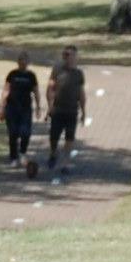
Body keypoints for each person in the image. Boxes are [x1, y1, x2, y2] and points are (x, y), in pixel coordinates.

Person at [43, 46, 87, 179]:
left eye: (70, 55)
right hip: (58, 109)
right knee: (54, 136)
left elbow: (81, 93)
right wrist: (50, 106)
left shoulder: (78, 74)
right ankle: (53, 153)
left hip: (72, 110)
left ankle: (65, 164)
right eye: (65, 55)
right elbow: (50, 88)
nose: (67, 57)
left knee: (69, 138)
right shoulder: (57, 70)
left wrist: (84, 111)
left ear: (75, 56)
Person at [0, 59, 40, 169]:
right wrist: (2, 107)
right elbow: (6, 90)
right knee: (13, 133)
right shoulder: (12, 74)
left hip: (25, 108)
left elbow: (36, 91)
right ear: (18, 62)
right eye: (21, 61)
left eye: (24, 61)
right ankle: (13, 157)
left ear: (27, 63)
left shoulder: (31, 76)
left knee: (25, 132)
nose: (22, 63)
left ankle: (22, 152)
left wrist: (38, 107)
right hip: (12, 108)